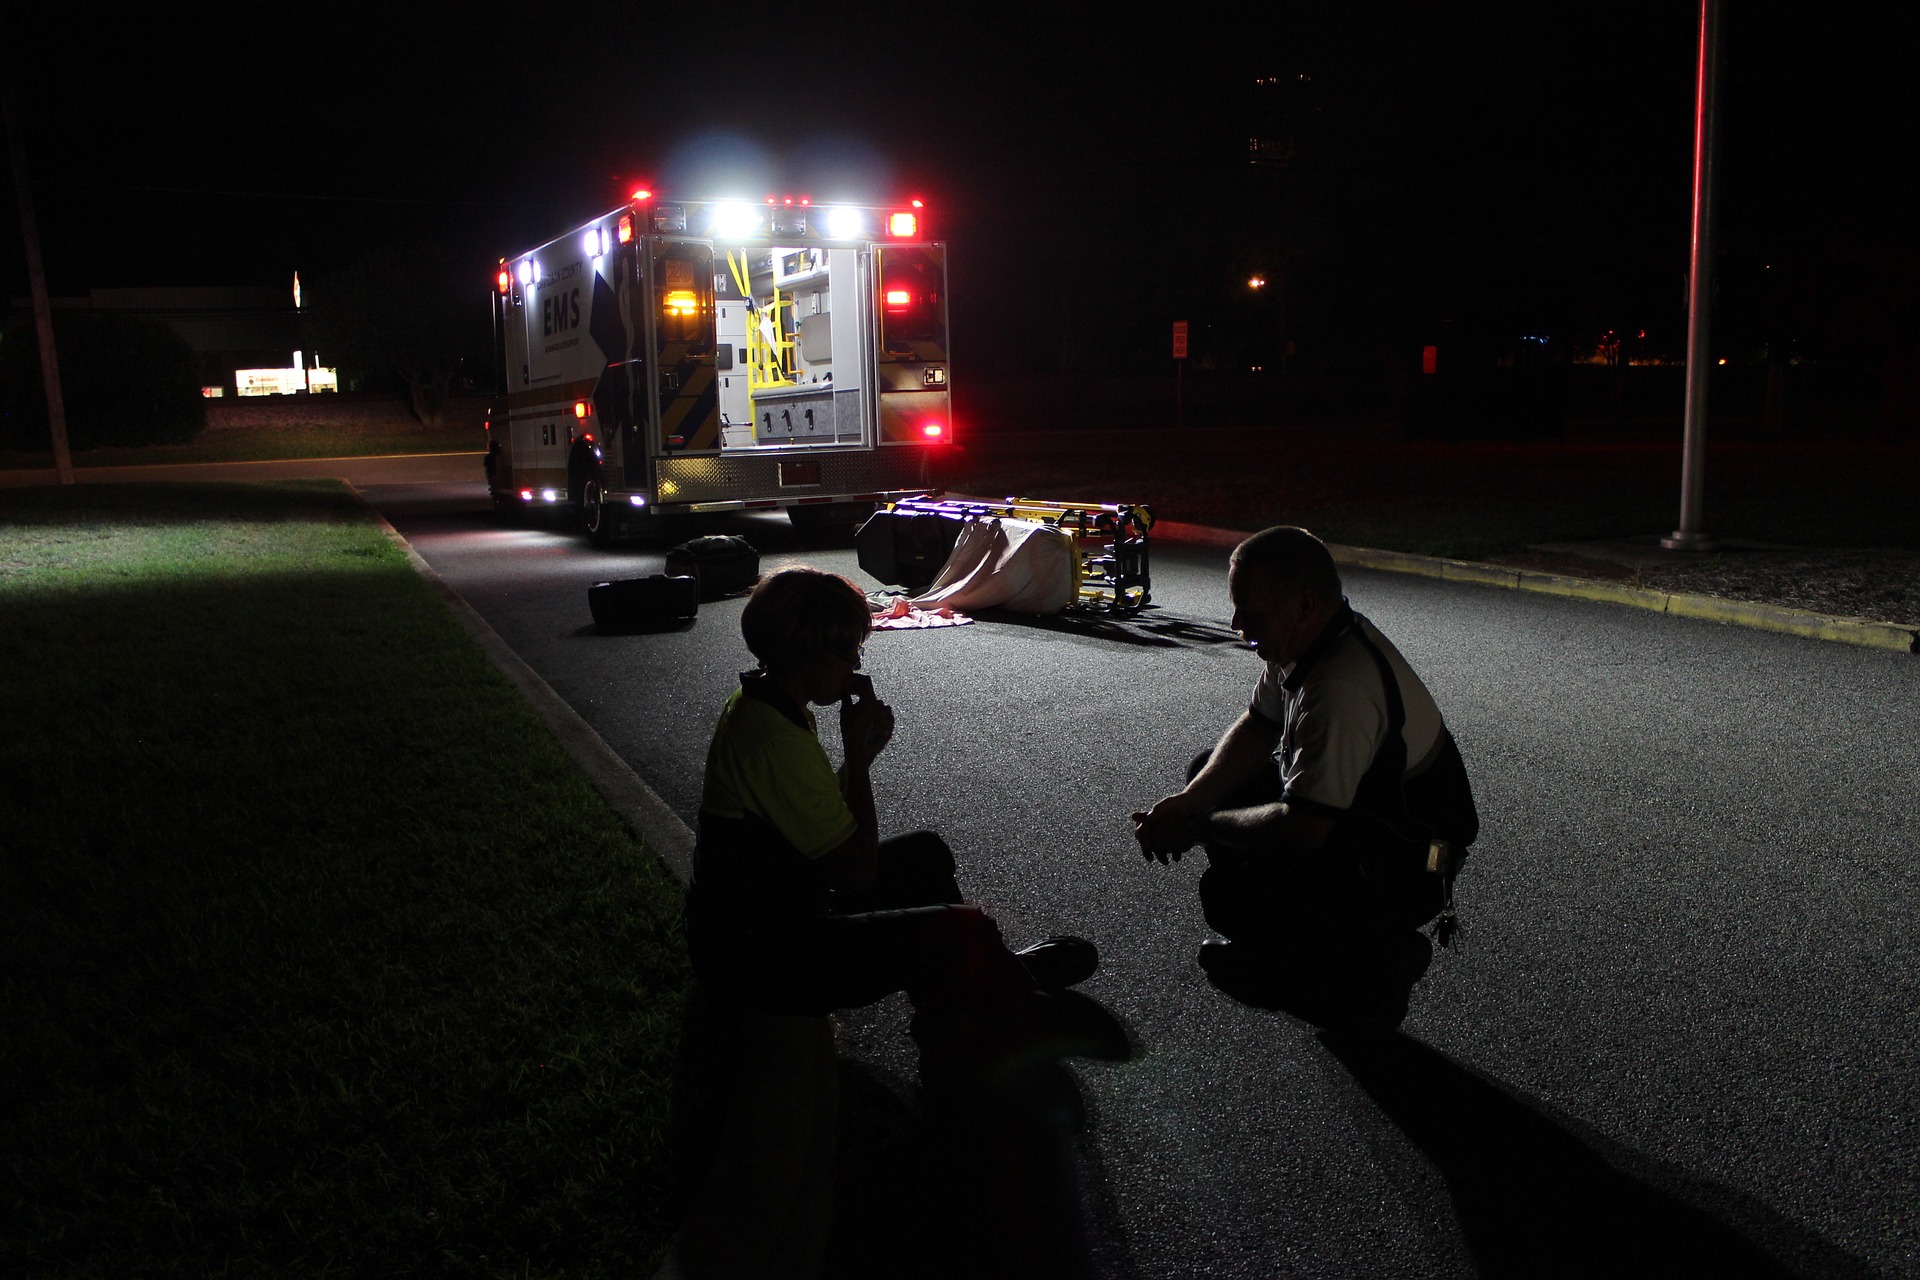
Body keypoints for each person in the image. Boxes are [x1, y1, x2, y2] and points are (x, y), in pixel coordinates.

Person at [684, 566, 1101, 1092]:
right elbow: (856, 870)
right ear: (812, 655)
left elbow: (810, 817)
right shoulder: (774, 738)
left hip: (774, 908)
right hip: (764, 955)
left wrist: (860, 757)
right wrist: (857, 763)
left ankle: (973, 993)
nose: (857, 665)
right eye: (851, 653)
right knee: (961, 927)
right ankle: (971, 1058)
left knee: (923, 855)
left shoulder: (767, 703)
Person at [1131, 526, 1479, 1012]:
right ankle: (1304, 949)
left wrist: (1198, 827)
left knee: (1230, 894)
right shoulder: (1302, 641)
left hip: (1413, 864)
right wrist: (1192, 801)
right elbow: (1258, 726)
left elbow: (1304, 827)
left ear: (1305, 604)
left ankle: (1372, 965)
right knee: (1205, 776)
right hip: (1364, 820)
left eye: (1250, 614)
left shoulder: (1341, 687)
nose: (1236, 625)